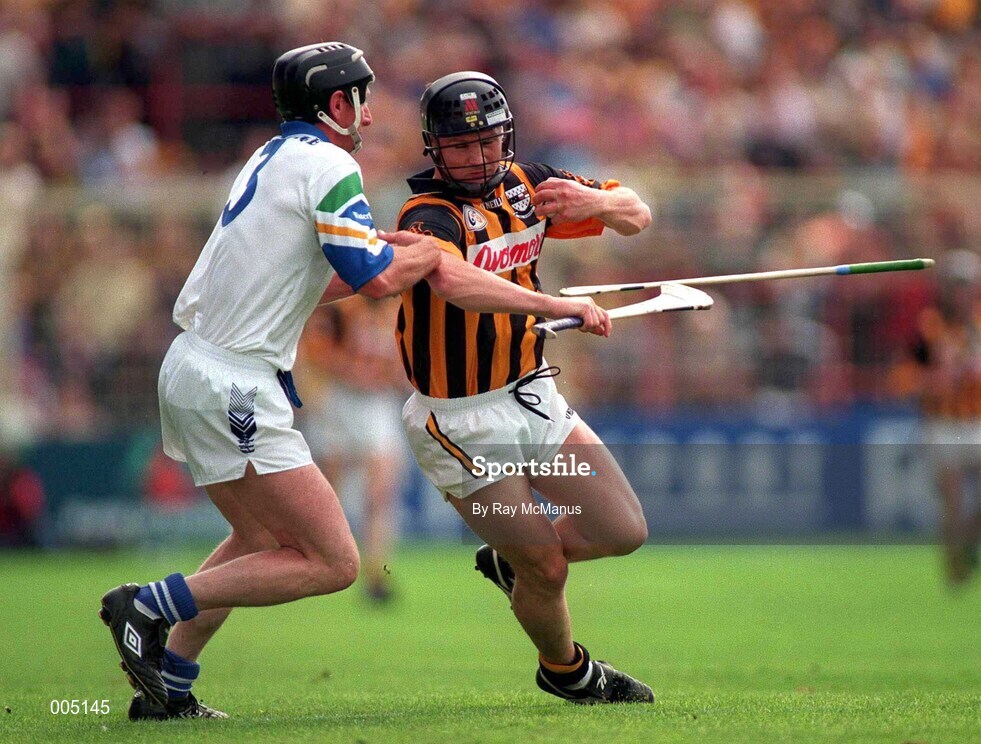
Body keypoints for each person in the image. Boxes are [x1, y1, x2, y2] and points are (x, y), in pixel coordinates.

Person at [98, 42, 444, 720]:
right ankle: (147, 606)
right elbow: (375, 279)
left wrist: (392, 254)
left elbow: (309, 284)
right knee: (335, 562)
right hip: (235, 381)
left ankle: (169, 686)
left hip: (197, 364)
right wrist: (431, 254)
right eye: (361, 98)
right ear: (336, 103)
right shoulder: (331, 164)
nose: (369, 113)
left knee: (257, 540)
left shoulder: (273, 155)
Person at [395, 72, 655, 703]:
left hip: (532, 395)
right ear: (435, 147)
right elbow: (455, 283)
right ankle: (568, 672)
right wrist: (554, 305)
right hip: (459, 422)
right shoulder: (426, 216)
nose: (478, 156)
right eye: (461, 145)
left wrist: (594, 203)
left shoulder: (527, 184)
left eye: (488, 141)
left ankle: (509, 562)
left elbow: (638, 215)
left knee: (622, 531)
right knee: (547, 567)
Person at [908, 250, 981, 584]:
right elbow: (911, 376)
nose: (962, 293)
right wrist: (939, 380)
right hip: (945, 424)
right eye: (956, 286)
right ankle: (953, 562)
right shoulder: (930, 326)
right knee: (952, 503)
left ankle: (971, 536)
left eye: (968, 285)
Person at [296, 298, 407, 602]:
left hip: (378, 403)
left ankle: (376, 572)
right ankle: (322, 561)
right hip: (339, 401)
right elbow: (314, 351)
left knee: (380, 492)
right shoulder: (340, 307)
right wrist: (353, 371)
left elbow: (402, 361)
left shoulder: (398, 310)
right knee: (331, 491)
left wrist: (390, 375)